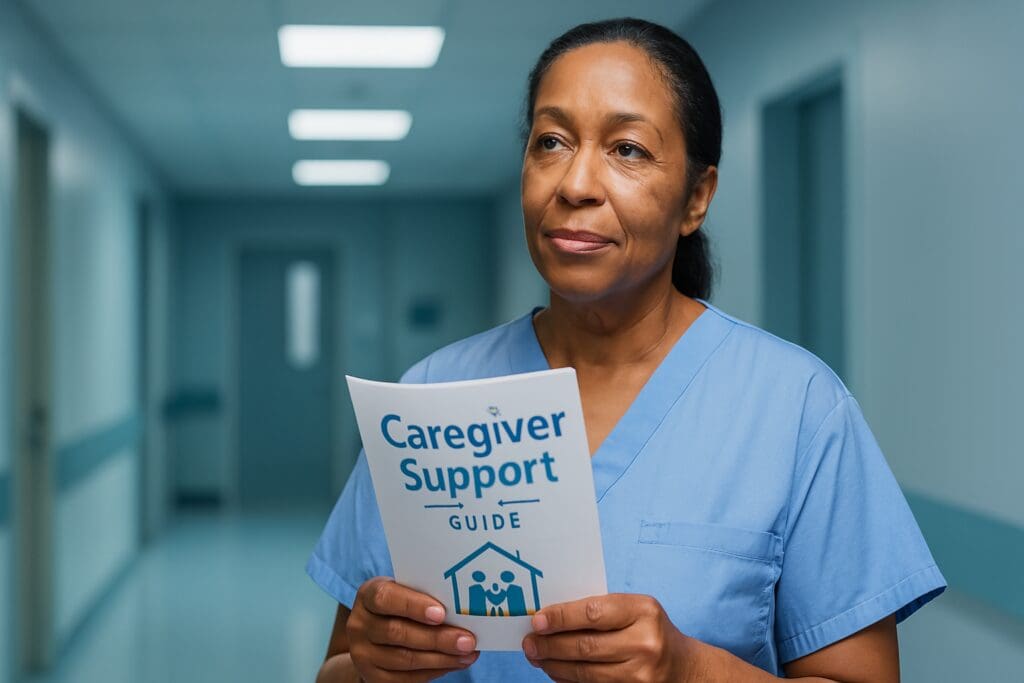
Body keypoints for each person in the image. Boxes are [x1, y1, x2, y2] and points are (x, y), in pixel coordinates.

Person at [306, 17, 945, 682]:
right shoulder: (431, 394)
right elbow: (336, 668)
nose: (575, 184)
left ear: (696, 197)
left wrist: (689, 669)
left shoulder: (797, 409)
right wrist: (372, 664)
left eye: (628, 150)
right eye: (550, 141)